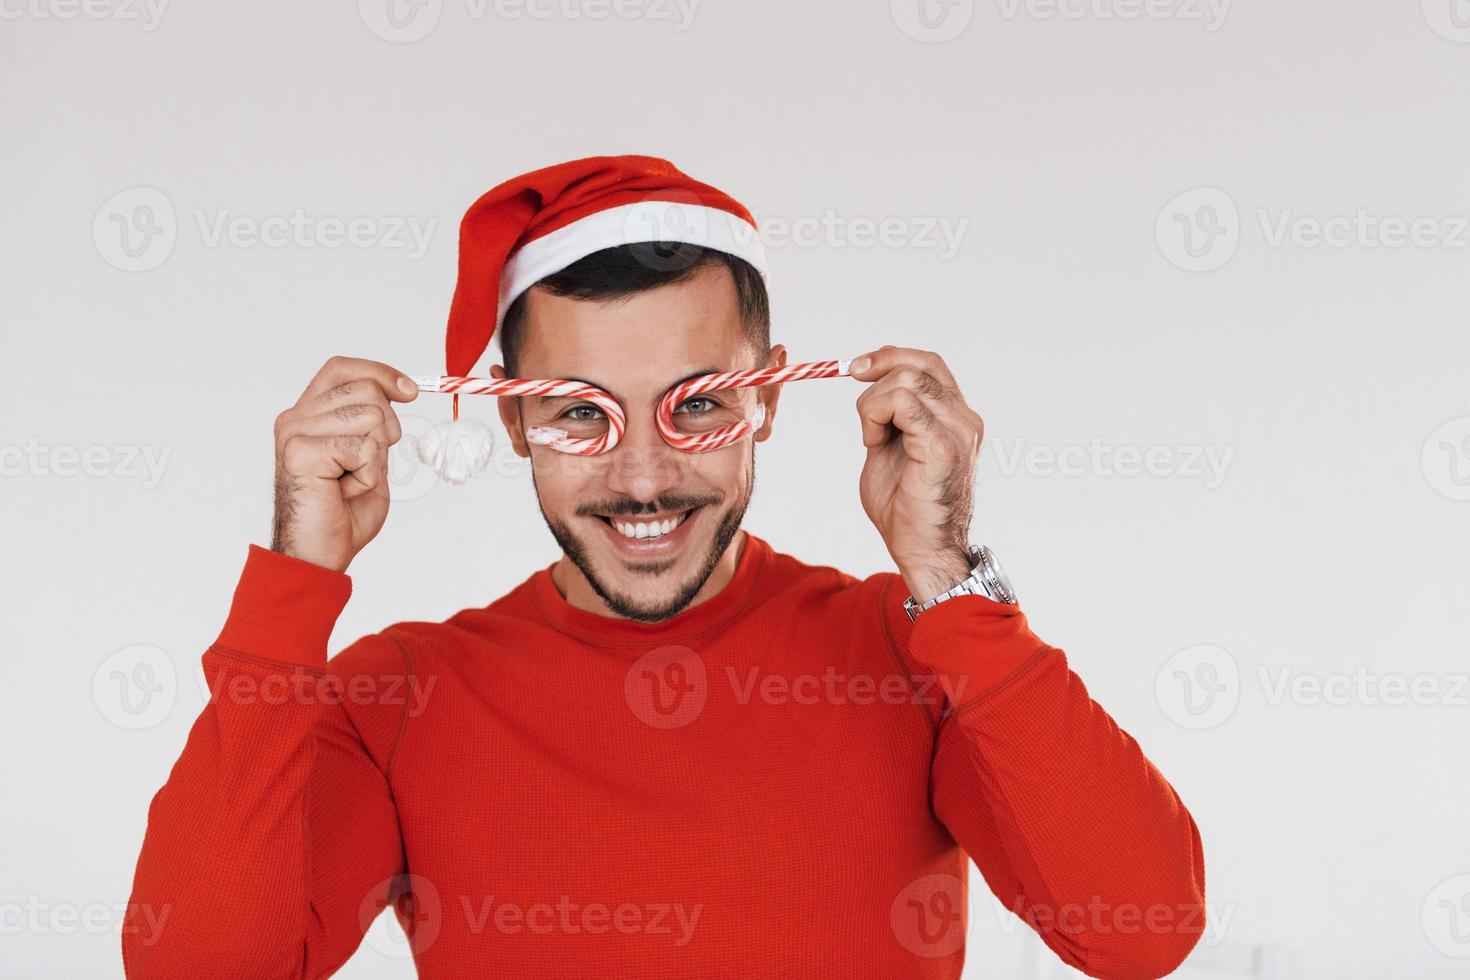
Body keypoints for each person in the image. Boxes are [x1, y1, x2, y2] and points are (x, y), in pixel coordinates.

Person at [123, 156, 1206, 979]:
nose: (644, 476)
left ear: (769, 397)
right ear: (512, 422)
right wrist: (291, 581)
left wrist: (947, 569)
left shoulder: (910, 650)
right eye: (578, 414)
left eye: (698, 404)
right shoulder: (399, 695)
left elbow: (1141, 922)